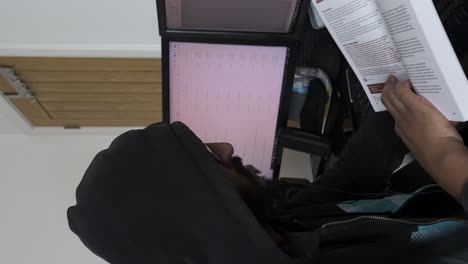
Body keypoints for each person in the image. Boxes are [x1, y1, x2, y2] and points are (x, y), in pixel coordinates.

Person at [68, 76, 468, 264]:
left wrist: (400, 94)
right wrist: (446, 155)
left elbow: (350, 178)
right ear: (201, 211)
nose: (225, 147)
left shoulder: (280, 223)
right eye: (209, 158)